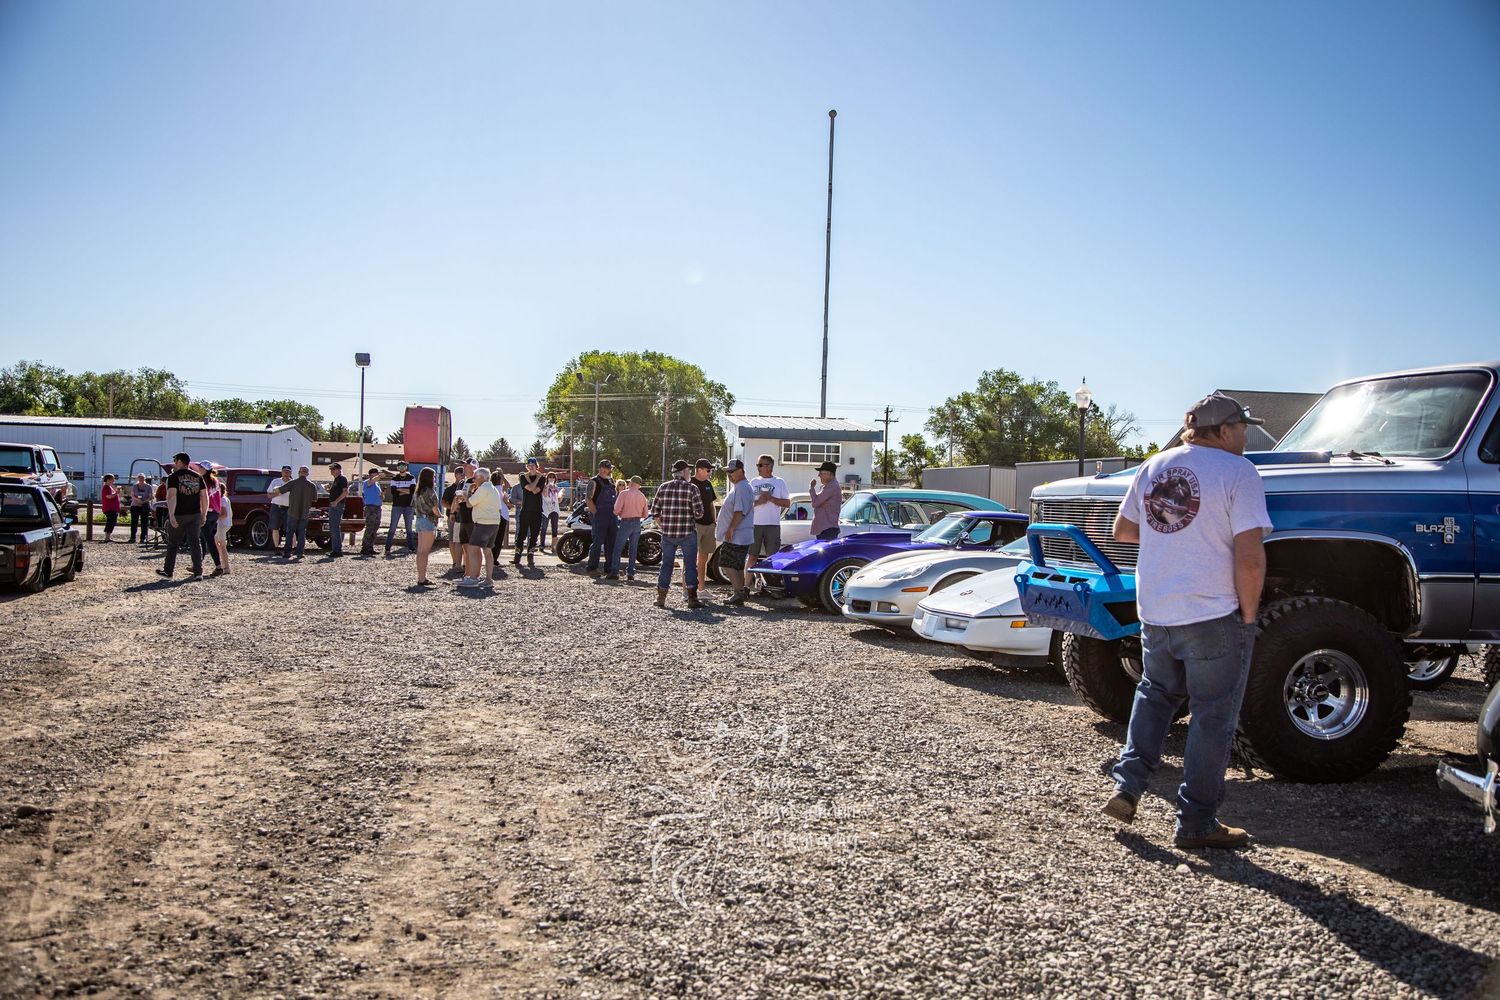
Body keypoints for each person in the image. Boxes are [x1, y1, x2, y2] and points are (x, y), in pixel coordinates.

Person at [1102, 393, 1272, 851]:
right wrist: (1250, 617)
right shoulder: (1239, 472)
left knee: (1155, 696)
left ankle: (1128, 786)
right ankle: (1196, 821)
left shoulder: (1155, 466)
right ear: (1221, 431)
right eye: (1241, 428)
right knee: (1213, 715)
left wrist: (1174, 531)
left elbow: (1123, 530)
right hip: (1213, 612)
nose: (1245, 436)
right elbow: (1251, 557)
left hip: (1156, 609)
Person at [651, 460, 706, 608]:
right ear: (683, 472)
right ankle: (692, 599)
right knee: (690, 565)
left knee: (666, 565)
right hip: (687, 532)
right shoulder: (692, 488)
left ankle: (661, 598)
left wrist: (663, 525)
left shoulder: (663, 487)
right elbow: (699, 513)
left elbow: (655, 511)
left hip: (668, 533)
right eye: (688, 470)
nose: (689, 473)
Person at [156, 453, 207, 579]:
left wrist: (172, 515)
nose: (174, 462)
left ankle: (168, 571)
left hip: (179, 514)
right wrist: (204, 514)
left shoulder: (173, 477)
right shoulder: (198, 477)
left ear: (179, 461)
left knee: (173, 543)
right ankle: (198, 572)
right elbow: (204, 497)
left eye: (174, 460)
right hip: (195, 514)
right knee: (195, 542)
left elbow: (171, 496)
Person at [715, 458, 756, 605]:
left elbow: (740, 511)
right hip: (739, 533)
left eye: (732, 472)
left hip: (737, 533)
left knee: (726, 562)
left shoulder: (742, 487)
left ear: (741, 471)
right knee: (736, 564)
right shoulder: (740, 486)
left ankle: (739, 592)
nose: (729, 475)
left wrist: (730, 528)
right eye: (727, 472)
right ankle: (740, 592)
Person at [746, 454, 790, 589]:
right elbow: (747, 504)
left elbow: (787, 503)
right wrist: (758, 502)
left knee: (772, 557)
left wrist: (771, 499)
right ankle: (746, 586)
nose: (758, 467)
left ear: (769, 466)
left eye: (760, 465)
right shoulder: (753, 482)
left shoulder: (779, 482)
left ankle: (773, 586)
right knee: (752, 556)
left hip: (772, 524)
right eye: (757, 465)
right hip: (755, 524)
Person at [461, 467, 502, 588]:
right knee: (488, 551)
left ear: (480, 477)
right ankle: (488, 579)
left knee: (473, 549)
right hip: (494, 522)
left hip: (484, 523)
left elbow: (469, 504)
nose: (474, 479)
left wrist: (468, 492)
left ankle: (473, 578)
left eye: (475, 477)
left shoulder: (483, 489)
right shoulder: (493, 489)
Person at [271, 466, 317, 559]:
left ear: (299, 472)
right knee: (301, 533)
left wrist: (275, 489)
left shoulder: (293, 483)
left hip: (293, 512)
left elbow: (280, 490)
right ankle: (300, 553)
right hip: (304, 513)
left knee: (290, 532)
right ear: (307, 474)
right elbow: (315, 499)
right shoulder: (312, 485)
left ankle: (287, 553)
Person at [584, 460, 619, 576]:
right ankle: (592, 568)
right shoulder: (593, 482)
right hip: (600, 515)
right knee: (597, 542)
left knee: (611, 542)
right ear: (599, 468)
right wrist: (596, 513)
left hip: (612, 515)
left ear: (610, 470)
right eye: (602, 467)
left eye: (607, 468)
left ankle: (609, 569)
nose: (604, 470)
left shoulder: (611, 481)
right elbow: (588, 499)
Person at [612, 475, 650, 580]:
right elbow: (646, 514)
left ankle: (615, 572)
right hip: (637, 522)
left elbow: (616, 510)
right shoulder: (642, 496)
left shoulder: (624, 494)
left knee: (618, 548)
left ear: (631, 483)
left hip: (625, 522)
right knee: (633, 549)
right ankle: (631, 572)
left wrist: (621, 513)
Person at [514, 458, 546, 565]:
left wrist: (536, 478)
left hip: (537, 510)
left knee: (534, 533)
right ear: (526, 466)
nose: (531, 467)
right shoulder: (523, 476)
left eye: (533, 465)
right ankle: (517, 555)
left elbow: (536, 490)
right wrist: (536, 479)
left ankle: (530, 555)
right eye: (529, 465)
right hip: (526, 509)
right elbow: (530, 488)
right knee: (522, 533)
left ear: (537, 466)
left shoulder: (542, 478)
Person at [412, 467, 441, 586]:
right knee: (425, 551)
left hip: (419, 520)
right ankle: (423, 578)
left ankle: (421, 576)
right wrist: (440, 515)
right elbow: (435, 508)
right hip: (428, 520)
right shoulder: (430, 491)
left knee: (420, 551)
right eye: (433, 477)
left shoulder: (417, 491)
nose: (434, 479)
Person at [691, 459, 718, 587]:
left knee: (703, 559)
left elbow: (711, 503)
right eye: (708, 470)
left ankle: (701, 589)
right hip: (694, 525)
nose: (710, 473)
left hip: (709, 525)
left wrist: (714, 521)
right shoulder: (689, 483)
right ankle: (687, 591)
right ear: (699, 470)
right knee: (690, 559)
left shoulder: (708, 484)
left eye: (711, 470)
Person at [385, 463, 417, 555]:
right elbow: (393, 492)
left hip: (408, 506)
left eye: (403, 466)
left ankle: (411, 548)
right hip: (396, 506)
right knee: (392, 527)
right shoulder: (394, 478)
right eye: (399, 466)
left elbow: (412, 491)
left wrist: (399, 489)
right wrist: (405, 490)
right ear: (397, 468)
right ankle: (387, 548)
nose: (401, 468)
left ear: (406, 467)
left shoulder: (411, 478)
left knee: (409, 528)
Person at [442, 463, 468, 575]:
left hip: (463, 517)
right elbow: (443, 502)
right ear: (455, 475)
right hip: (452, 516)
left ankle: (464, 563)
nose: (463, 475)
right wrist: (453, 509)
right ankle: (455, 561)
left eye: (464, 474)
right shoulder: (450, 489)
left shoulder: (467, 485)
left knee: (462, 541)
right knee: (453, 540)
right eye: (461, 474)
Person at [200, 465, 225, 575]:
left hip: (207, 511)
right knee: (203, 538)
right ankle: (198, 564)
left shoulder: (203, 481)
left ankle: (218, 566)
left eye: (200, 467)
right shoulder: (216, 481)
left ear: (205, 469)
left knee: (208, 540)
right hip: (215, 512)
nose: (199, 469)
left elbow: (203, 497)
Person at [809, 461, 842, 541]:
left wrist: (811, 488)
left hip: (828, 530)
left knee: (826, 553)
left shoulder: (832, 487)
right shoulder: (828, 487)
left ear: (829, 474)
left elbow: (815, 503)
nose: (819, 475)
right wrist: (819, 503)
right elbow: (817, 503)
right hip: (825, 530)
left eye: (821, 473)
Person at [267, 464, 292, 551]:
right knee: (275, 527)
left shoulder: (293, 483)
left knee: (290, 528)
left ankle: (292, 547)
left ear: (291, 473)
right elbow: (269, 495)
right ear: (281, 472)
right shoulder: (275, 482)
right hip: (276, 507)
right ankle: (276, 547)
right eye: (284, 471)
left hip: (289, 508)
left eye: (288, 472)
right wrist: (277, 493)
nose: (286, 473)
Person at [325, 462, 348, 557]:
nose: (332, 471)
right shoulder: (336, 480)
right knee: (333, 527)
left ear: (339, 469)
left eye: (333, 469)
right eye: (331, 469)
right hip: (334, 505)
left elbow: (345, 492)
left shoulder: (342, 478)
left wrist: (336, 502)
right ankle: (335, 549)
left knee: (335, 527)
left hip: (337, 506)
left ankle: (337, 550)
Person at [359, 470, 384, 556]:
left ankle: (370, 547)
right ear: (370, 475)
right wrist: (379, 476)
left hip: (378, 508)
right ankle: (364, 548)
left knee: (375, 529)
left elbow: (380, 495)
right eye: (375, 473)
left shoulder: (377, 485)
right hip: (370, 508)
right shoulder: (367, 482)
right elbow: (371, 481)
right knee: (369, 528)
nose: (377, 475)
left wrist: (382, 495)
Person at [490, 471, 513, 566]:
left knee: (493, 538)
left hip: (492, 515)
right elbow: (508, 485)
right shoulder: (500, 489)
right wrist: (503, 476)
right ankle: (494, 558)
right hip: (502, 515)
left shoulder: (490, 489)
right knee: (499, 539)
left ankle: (491, 557)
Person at [213, 477, 233, 575]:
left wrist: (214, 515)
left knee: (222, 545)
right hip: (225, 524)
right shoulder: (225, 498)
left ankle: (226, 567)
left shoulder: (221, 499)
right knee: (216, 540)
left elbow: (223, 514)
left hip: (222, 524)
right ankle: (223, 562)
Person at [128, 472, 153, 544]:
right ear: (138, 478)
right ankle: (132, 537)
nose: (141, 479)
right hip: (135, 505)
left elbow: (150, 496)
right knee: (134, 522)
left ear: (144, 479)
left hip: (144, 505)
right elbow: (132, 495)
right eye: (139, 478)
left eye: (142, 478)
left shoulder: (148, 487)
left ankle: (142, 538)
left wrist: (144, 501)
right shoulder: (135, 486)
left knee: (144, 523)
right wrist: (137, 500)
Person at [542, 474, 562, 548]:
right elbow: (545, 494)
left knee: (554, 528)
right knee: (544, 528)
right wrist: (548, 485)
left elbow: (559, 500)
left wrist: (561, 497)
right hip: (546, 510)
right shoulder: (544, 486)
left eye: (553, 477)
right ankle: (542, 545)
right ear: (547, 478)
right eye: (550, 477)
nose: (551, 478)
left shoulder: (557, 488)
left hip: (555, 510)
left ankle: (553, 545)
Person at [100, 474, 121, 542]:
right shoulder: (106, 487)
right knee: (110, 522)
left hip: (113, 508)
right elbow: (108, 496)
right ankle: (107, 537)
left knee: (112, 522)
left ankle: (108, 537)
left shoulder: (110, 487)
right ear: (108, 480)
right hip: (109, 508)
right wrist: (116, 493)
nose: (113, 480)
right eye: (112, 479)